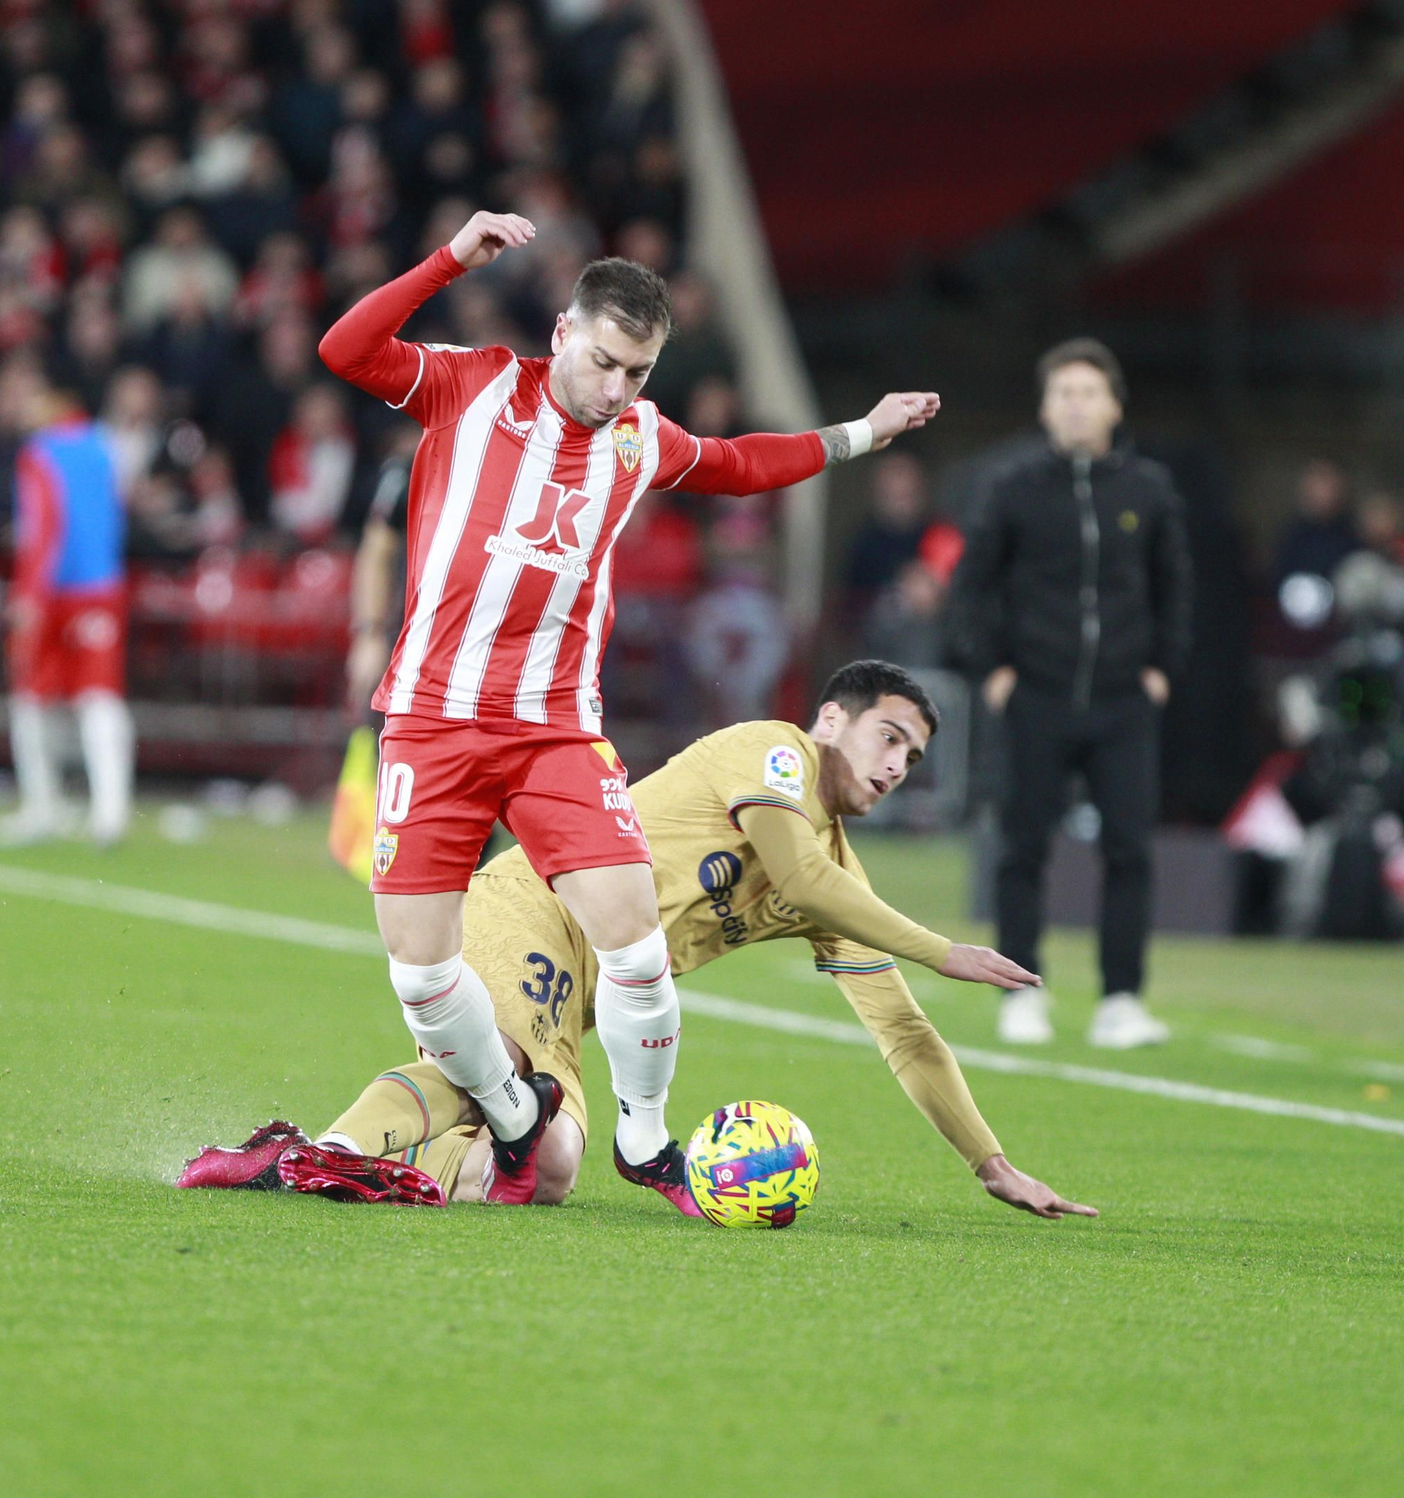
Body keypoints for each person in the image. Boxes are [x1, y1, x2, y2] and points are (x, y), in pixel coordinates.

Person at [316, 207, 940, 1204]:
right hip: (430, 720)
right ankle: (513, 1120)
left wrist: (862, 431)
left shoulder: (640, 438)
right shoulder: (468, 387)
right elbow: (344, 349)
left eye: (637, 373)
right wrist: (447, 261)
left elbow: (740, 466)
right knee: (422, 979)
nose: (616, 390)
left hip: (555, 729)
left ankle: (646, 1143)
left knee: (636, 947)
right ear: (564, 333)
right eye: (604, 362)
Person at [180, 661, 1096, 1223]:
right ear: (830, 722)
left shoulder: (838, 881)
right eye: (888, 737)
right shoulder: (774, 753)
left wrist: (992, 1163)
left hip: (587, 996)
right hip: (534, 908)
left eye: (914, 757)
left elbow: (904, 1035)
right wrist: (946, 950)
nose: (896, 766)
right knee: (495, 1068)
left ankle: (340, 1160)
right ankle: (327, 1151)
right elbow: (805, 876)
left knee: (549, 1167)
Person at [948, 339, 1192, 1050]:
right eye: (1063, 393)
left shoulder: (1148, 489)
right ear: (1045, 407)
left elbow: (1176, 587)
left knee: (1129, 851)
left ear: (1115, 404)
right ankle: (1020, 995)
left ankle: (1122, 999)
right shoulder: (1012, 488)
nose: (1076, 405)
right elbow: (972, 587)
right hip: (1037, 697)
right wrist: (994, 669)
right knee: (1022, 849)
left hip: (1123, 700)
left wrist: (1161, 669)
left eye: (1089, 392)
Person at [0, 382, 135, 849]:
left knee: (32, 698)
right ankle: (109, 813)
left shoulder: (38, 452)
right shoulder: (102, 444)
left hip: (54, 592)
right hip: (103, 587)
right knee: (99, 696)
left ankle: (43, 806)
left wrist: (28, 596)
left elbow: (43, 528)